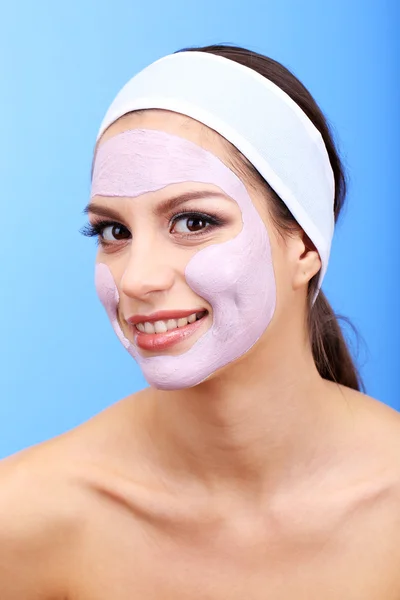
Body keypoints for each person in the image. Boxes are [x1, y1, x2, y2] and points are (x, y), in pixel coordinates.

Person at [1, 44, 399, 599]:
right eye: (113, 232)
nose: (137, 278)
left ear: (306, 245)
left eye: (194, 221)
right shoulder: (25, 516)